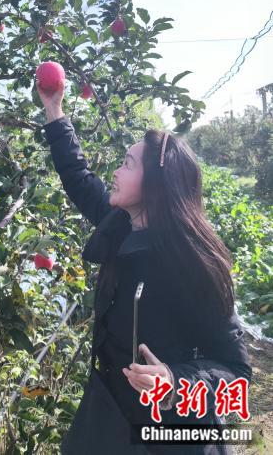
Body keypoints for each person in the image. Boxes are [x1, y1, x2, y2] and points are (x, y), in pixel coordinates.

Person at [36, 77, 252, 454]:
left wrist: (173, 381)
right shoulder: (120, 226)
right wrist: (54, 110)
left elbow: (237, 373)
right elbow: (79, 177)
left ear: (155, 184)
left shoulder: (193, 263)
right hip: (110, 413)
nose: (115, 173)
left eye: (126, 164)